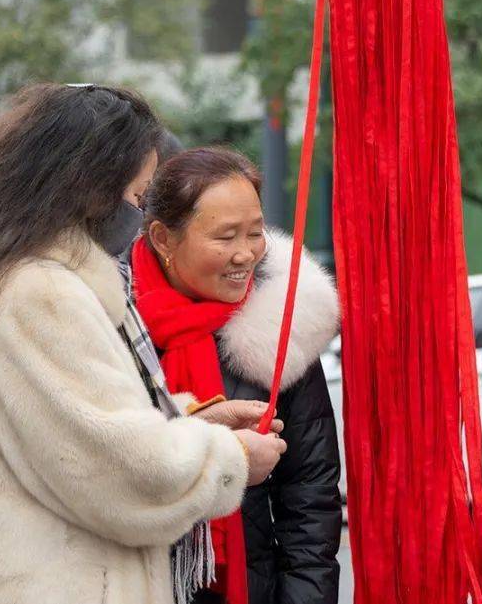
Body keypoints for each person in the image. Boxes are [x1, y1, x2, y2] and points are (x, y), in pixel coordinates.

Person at [0, 83, 284, 604]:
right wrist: (230, 459)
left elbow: (64, 437)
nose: (140, 217)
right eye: (138, 197)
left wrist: (190, 425)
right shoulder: (37, 291)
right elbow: (117, 472)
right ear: (91, 188)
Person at [132, 146, 342, 604]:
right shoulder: (116, 324)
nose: (245, 255)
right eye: (225, 237)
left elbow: (310, 498)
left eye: (254, 233)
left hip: (248, 589)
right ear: (163, 238)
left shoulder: (279, 329)